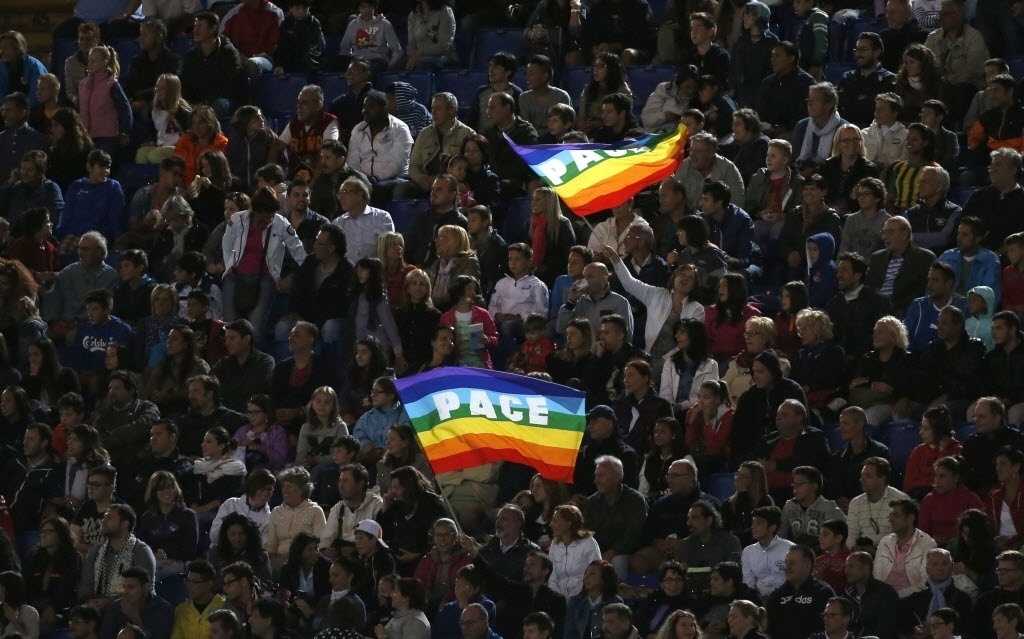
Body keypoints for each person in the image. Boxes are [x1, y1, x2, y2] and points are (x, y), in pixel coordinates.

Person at [78, 504, 157, 608]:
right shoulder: (96, 551)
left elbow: (141, 590)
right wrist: (89, 601)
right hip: (96, 607)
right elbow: (86, 585)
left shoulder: (141, 551)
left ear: (125, 524)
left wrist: (110, 602)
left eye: (109, 518)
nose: (103, 521)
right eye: (104, 517)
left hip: (133, 607)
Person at [136, 471, 199, 580]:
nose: (167, 491)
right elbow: (141, 546)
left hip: (179, 564)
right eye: (161, 488)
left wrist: (166, 553)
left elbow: (190, 550)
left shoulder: (188, 515)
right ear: (154, 492)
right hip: (153, 562)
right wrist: (154, 555)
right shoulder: (147, 517)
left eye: (170, 487)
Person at [898, 548, 974, 637]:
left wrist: (932, 631)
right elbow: (904, 630)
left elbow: (966, 631)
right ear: (927, 570)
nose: (940, 568)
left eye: (944, 564)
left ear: (952, 567)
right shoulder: (914, 599)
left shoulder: (963, 599)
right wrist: (916, 632)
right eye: (935, 564)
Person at [765, 545, 835, 639]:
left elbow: (827, 629)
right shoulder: (777, 594)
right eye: (786, 563)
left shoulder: (823, 592)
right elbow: (768, 628)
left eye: (792, 563)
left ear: (808, 565)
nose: (787, 567)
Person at [265, 466, 326, 570]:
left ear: (302, 489)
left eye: (290, 486)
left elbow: (321, 543)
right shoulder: (276, 511)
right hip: (279, 562)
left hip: (305, 563)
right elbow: (272, 544)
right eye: (284, 486)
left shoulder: (315, 511)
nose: (285, 490)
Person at [872, 499, 936, 597]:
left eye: (896, 515)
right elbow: (877, 576)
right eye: (890, 516)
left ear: (910, 518)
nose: (890, 520)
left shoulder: (927, 544)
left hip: (912, 600)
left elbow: (925, 583)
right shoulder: (885, 542)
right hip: (883, 599)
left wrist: (896, 596)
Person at [98, 566, 173, 639]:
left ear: (145, 588)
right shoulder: (115, 607)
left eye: (131, 587)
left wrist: (135, 618)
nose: (125, 592)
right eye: (124, 587)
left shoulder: (163, 609)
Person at [838, 551, 899, 639]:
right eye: (846, 567)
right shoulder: (846, 595)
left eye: (851, 566)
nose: (846, 570)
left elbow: (887, 630)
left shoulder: (885, 593)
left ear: (867, 567)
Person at [563, 560, 623, 639]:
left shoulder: (615, 602)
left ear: (604, 579)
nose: (585, 577)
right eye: (586, 573)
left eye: (592, 574)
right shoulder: (575, 601)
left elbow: (616, 633)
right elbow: (569, 633)